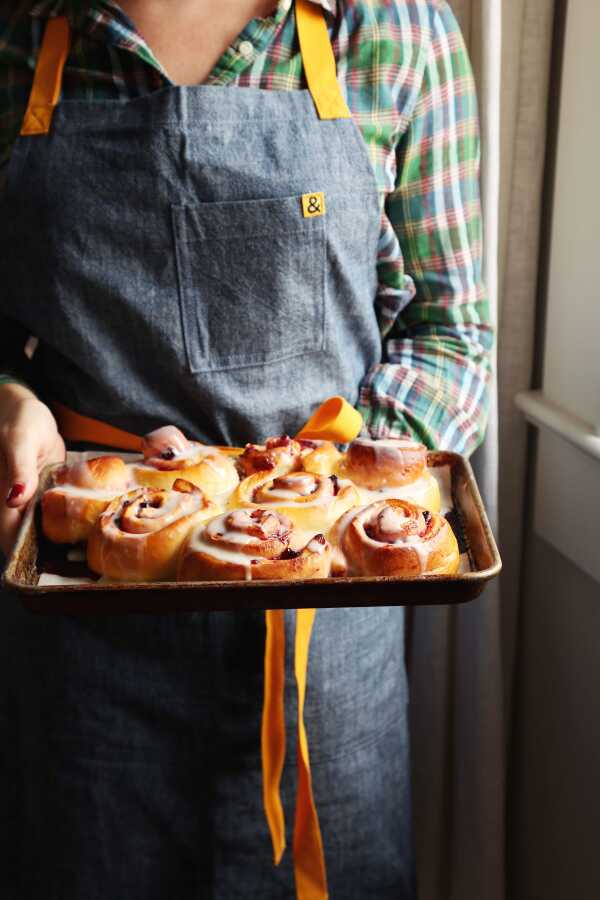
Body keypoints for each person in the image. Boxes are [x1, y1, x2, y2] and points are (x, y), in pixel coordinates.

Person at [0, 1, 492, 898]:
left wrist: (331, 495)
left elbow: (452, 333)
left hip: (327, 632)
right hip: (81, 624)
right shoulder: (20, 30)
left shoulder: (395, 29)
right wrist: (10, 400)